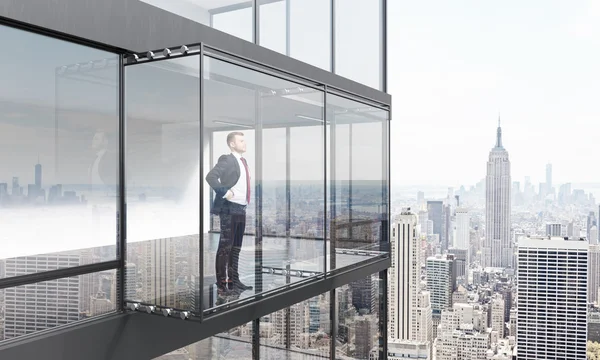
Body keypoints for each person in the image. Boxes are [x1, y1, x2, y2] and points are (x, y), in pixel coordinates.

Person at [206, 131, 253, 294]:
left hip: (241, 208)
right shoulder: (227, 159)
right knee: (225, 248)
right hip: (229, 208)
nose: (244, 143)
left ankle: (234, 281)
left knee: (236, 247)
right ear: (232, 144)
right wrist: (225, 192)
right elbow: (210, 177)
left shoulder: (243, 161)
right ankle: (222, 285)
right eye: (241, 141)